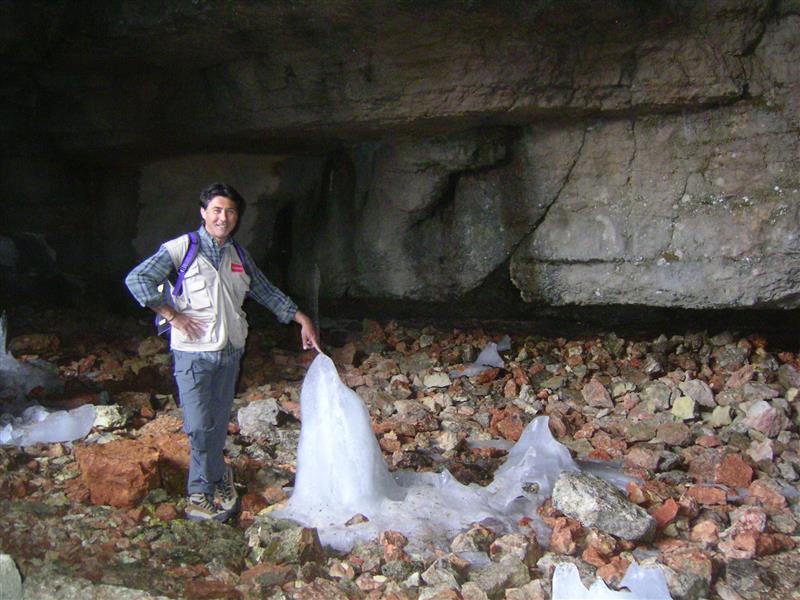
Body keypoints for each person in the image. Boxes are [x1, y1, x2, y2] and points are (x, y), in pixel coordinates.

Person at [125, 182, 320, 522]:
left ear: (236, 217)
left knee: (216, 425)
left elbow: (265, 291)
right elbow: (137, 279)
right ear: (203, 212)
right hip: (193, 354)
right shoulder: (182, 248)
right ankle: (199, 492)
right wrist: (172, 315)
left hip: (230, 353)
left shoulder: (238, 256)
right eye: (216, 210)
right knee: (199, 426)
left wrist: (301, 318)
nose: (223, 217)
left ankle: (218, 477)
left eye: (230, 212)